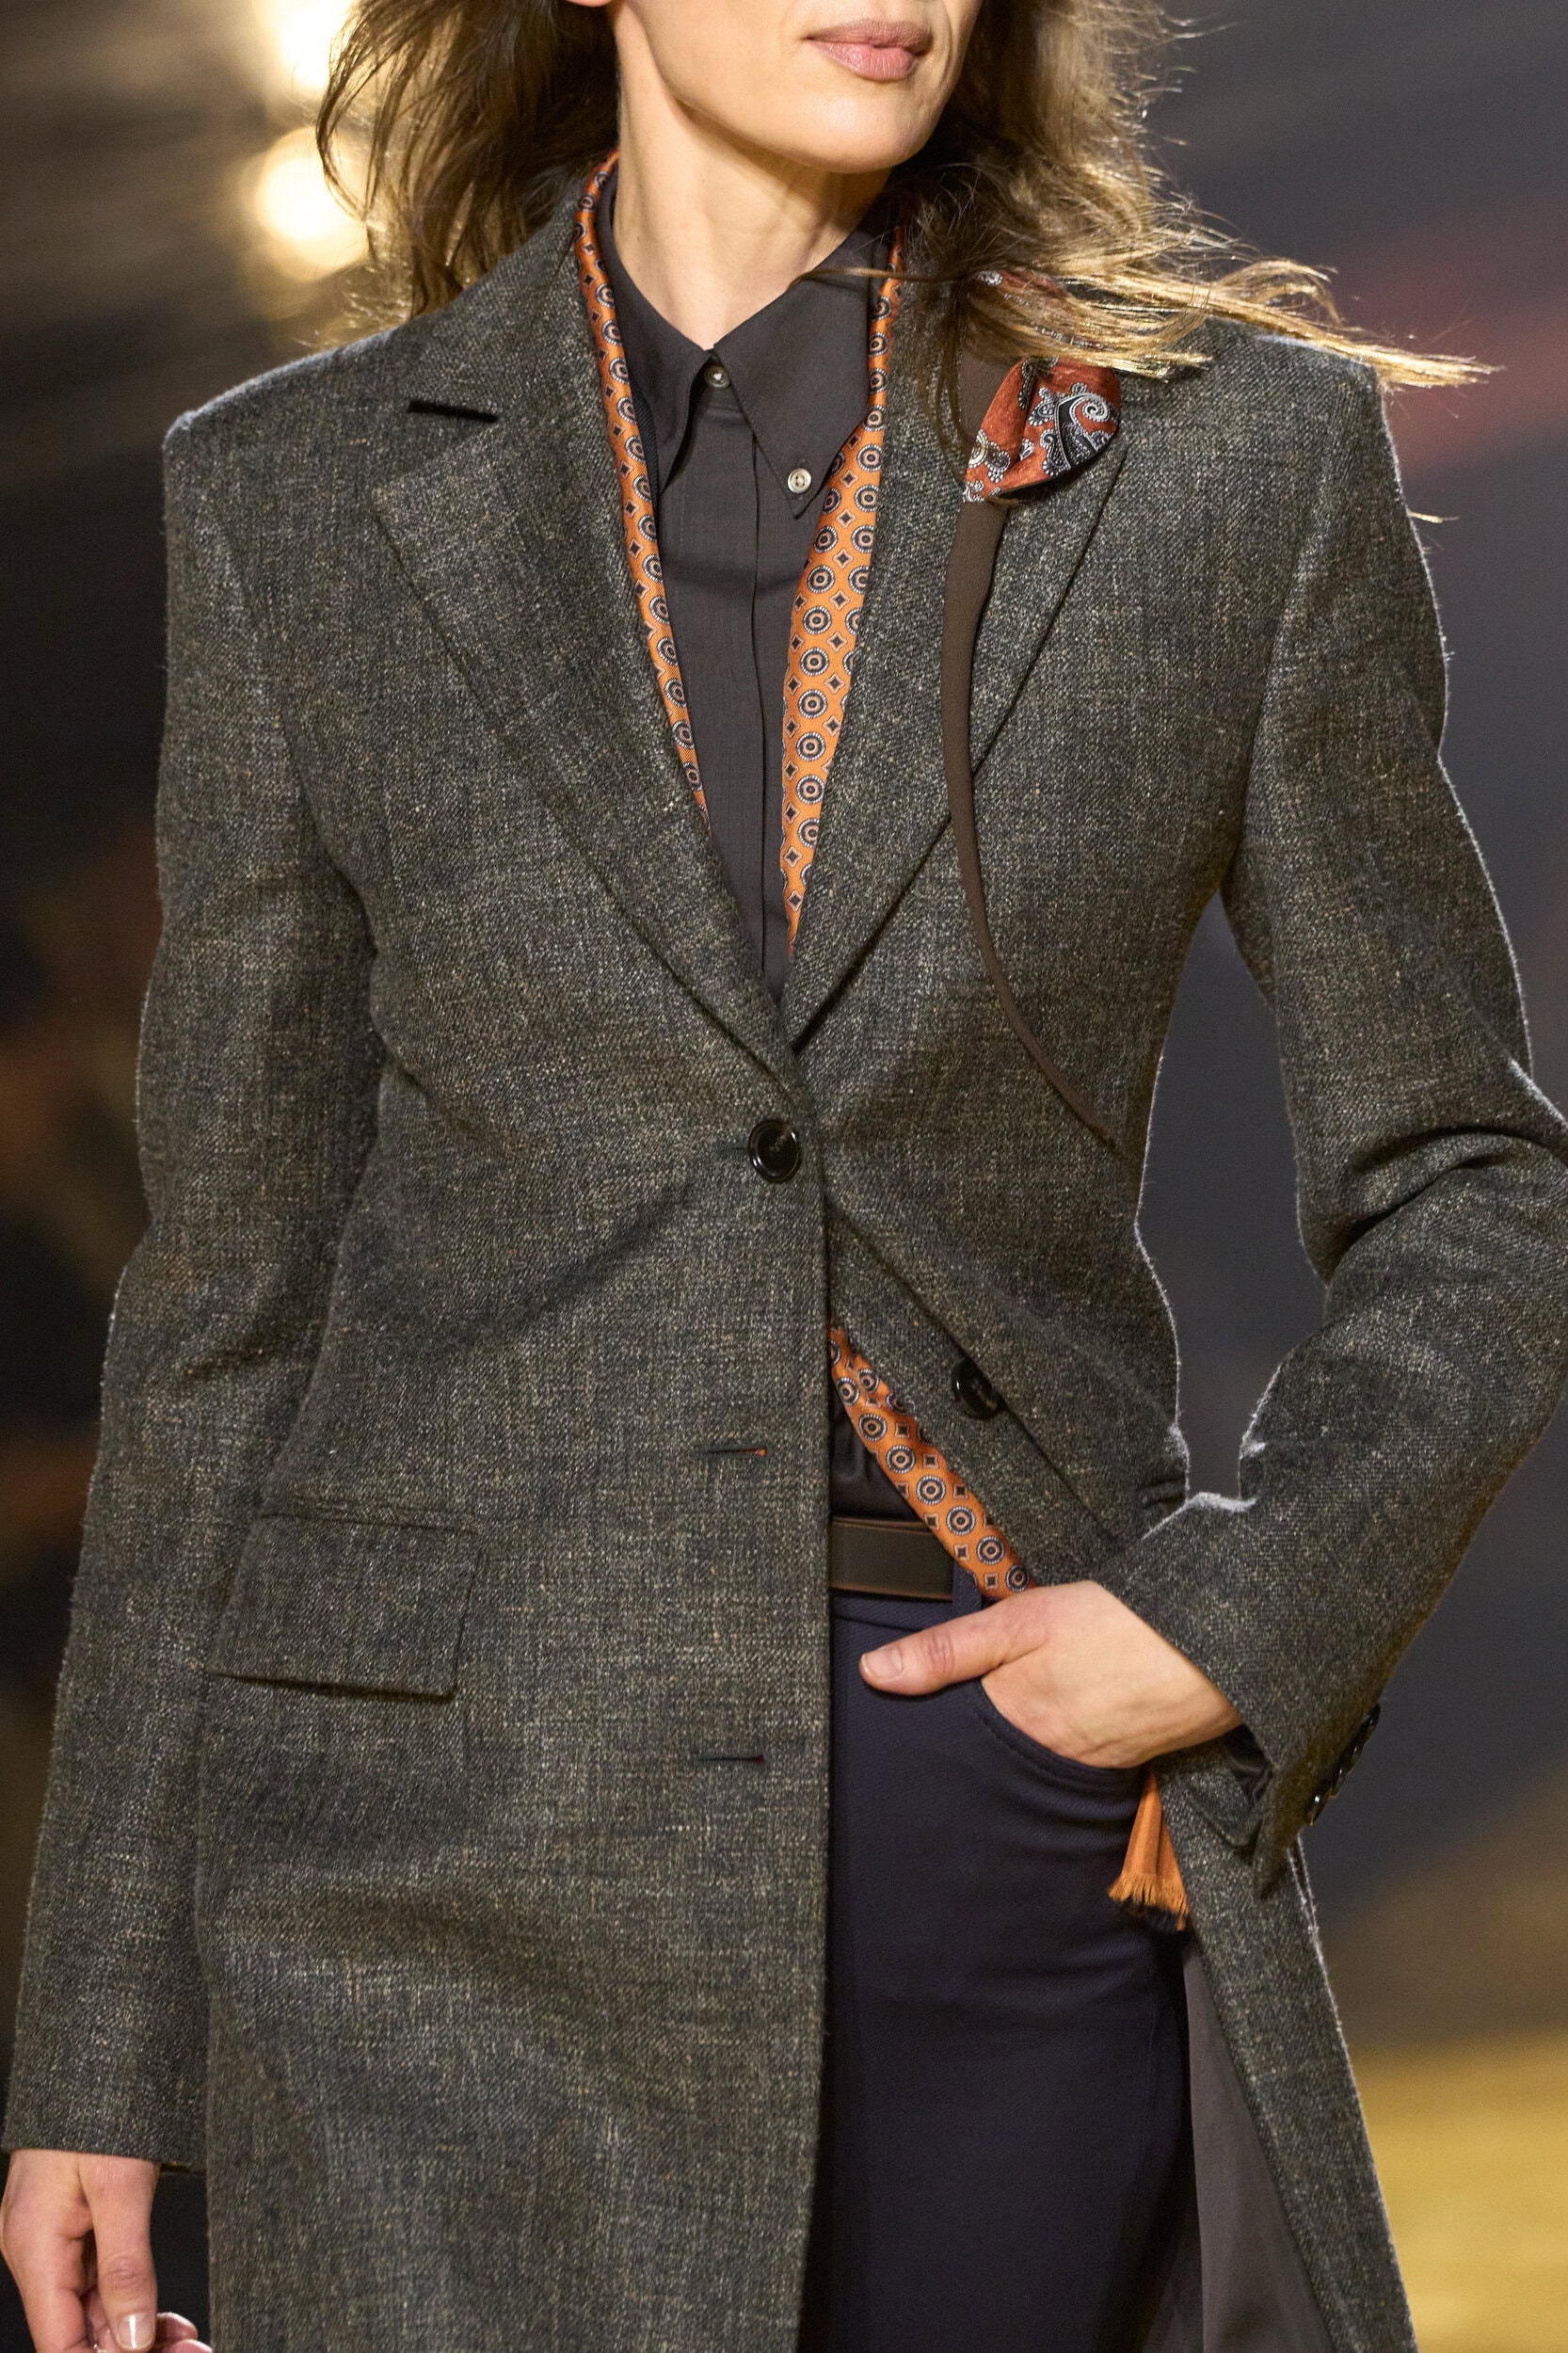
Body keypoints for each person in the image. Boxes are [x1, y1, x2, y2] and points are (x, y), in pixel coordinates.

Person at [5, 0, 1567, 2346]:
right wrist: (99, 2048)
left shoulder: (1226, 461)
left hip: (977, 1801)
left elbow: (1469, 1179)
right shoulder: (299, 497)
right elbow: (230, 1311)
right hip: (422, 1878)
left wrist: (1223, 1623)